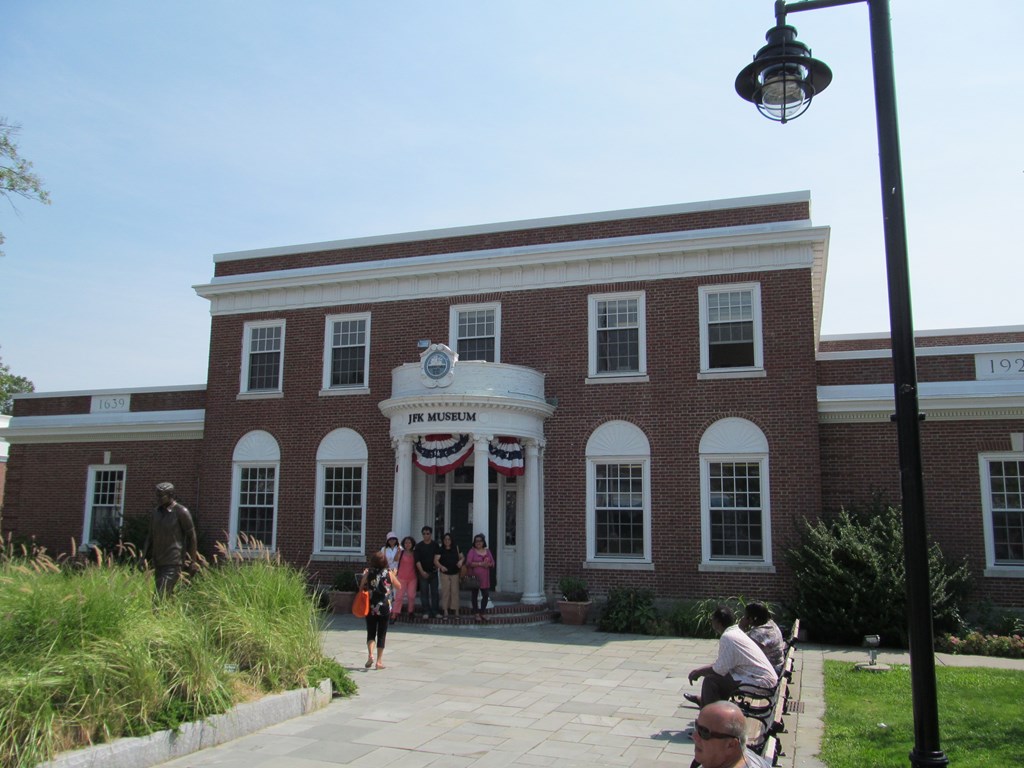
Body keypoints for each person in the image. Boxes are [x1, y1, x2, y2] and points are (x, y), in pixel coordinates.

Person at [685, 606, 777, 707]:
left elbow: (719, 670)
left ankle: (711, 717)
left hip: (761, 684)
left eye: (712, 621)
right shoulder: (736, 632)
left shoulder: (728, 637)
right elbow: (723, 665)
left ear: (718, 622)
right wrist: (701, 670)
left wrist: (698, 672)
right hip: (766, 680)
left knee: (711, 681)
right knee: (722, 678)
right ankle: (709, 705)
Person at [142, 482, 199, 598]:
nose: (158, 499)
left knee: (159, 597)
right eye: (157, 496)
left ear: (171, 494)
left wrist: (193, 561)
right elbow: (150, 536)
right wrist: (143, 558)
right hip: (158, 562)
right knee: (166, 596)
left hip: (173, 562)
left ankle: (157, 616)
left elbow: (191, 536)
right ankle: (171, 615)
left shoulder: (181, 512)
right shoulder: (155, 512)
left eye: (161, 496)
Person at [691, 700, 772, 768]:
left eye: (704, 732)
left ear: (731, 745)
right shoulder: (742, 756)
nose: (694, 736)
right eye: (696, 727)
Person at [359, 551, 400, 670]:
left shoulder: (369, 573)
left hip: (371, 606)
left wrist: (364, 577)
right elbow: (398, 586)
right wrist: (394, 575)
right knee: (382, 634)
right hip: (385, 607)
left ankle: (370, 655)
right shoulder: (388, 573)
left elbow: (361, 586)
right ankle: (379, 661)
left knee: (371, 632)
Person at [739, 602, 786, 675]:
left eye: (745, 616)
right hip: (777, 666)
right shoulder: (770, 624)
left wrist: (741, 628)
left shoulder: (759, 633)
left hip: (770, 671)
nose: (743, 618)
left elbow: (742, 649)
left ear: (752, 618)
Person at [464, 532, 495, 621]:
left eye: (480, 541)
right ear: (474, 542)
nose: (478, 543)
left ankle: (483, 612)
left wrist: (487, 564)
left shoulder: (487, 551)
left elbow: (492, 563)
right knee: (474, 595)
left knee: (485, 595)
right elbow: (468, 563)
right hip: (475, 578)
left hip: (485, 578)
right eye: (476, 541)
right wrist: (481, 564)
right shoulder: (472, 551)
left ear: (483, 542)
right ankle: (476, 613)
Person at [413, 526, 441, 619]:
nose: (425, 535)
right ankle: (426, 611)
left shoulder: (435, 545)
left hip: (433, 572)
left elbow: (437, 557)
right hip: (423, 572)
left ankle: (435, 611)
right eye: (424, 533)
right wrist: (421, 571)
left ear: (431, 534)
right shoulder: (419, 546)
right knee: (424, 593)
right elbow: (417, 560)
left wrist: (437, 567)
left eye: (427, 533)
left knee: (434, 593)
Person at [435, 531, 463, 619]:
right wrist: (441, 566)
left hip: (455, 572)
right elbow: (436, 560)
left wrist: (461, 561)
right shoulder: (441, 549)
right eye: (445, 539)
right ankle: (445, 611)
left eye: (449, 539)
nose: (447, 541)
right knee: (446, 592)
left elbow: (462, 557)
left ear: (451, 540)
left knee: (455, 591)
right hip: (445, 573)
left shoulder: (456, 548)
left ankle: (456, 611)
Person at [392, 535, 418, 621]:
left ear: (412, 544)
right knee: (399, 596)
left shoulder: (415, 553)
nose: (407, 544)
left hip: (412, 578)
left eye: (409, 543)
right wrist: (398, 551)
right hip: (401, 577)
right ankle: (395, 614)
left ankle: (410, 612)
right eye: (406, 542)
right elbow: (395, 560)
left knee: (411, 596)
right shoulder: (401, 552)